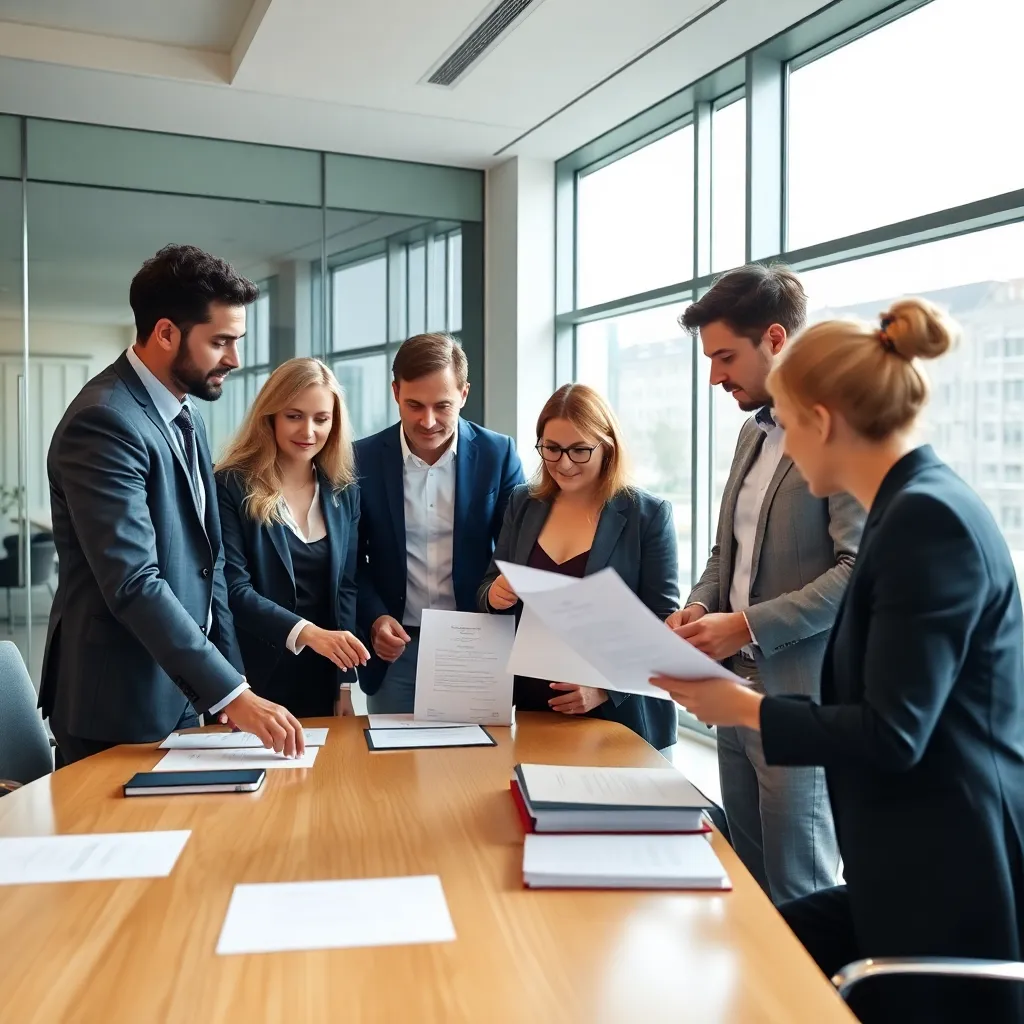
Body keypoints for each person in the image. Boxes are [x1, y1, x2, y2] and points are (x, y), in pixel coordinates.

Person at [655, 299, 1024, 1024]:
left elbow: (894, 733)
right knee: (747, 953)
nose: (787, 448)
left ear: (822, 421)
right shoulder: (908, 507)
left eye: (791, 426)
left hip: (953, 887)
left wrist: (745, 708)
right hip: (908, 868)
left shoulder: (927, 520)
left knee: (758, 965)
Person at [40, 244, 305, 765]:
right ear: (165, 333)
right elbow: (134, 582)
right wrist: (231, 693)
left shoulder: (185, 413)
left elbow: (211, 564)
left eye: (237, 341)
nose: (234, 359)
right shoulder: (104, 422)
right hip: (118, 705)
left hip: (182, 693)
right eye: (220, 341)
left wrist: (230, 683)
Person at [669, 264, 864, 904]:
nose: (714, 377)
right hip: (732, 689)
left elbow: (857, 572)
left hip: (800, 699)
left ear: (775, 339)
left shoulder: (838, 431)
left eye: (725, 357)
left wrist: (746, 624)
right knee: (749, 885)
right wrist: (699, 606)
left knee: (800, 892)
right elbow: (728, 552)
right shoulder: (751, 433)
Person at [478, 384, 679, 752]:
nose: (564, 463)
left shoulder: (647, 515)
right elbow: (489, 585)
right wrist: (494, 594)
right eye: (552, 448)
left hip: (621, 720)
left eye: (580, 450)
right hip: (534, 712)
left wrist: (604, 688)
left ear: (608, 447)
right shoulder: (524, 503)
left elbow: (664, 627)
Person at [355, 333, 525, 713]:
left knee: (475, 751)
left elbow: (516, 547)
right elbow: (350, 560)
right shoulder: (361, 459)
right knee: (391, 752)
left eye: (442, 406)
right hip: (395, 648)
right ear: (396, 392)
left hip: (476, 641)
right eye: (414, 405)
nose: (428, 421)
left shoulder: (498, 454)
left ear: (463, 394)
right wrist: (374, 617)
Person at [215, 358, 369, 719]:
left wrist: (344, 685)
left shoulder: (343, 492)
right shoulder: (231, 485)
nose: (308, 431)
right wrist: (309, 633)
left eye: (321, 418)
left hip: (321, 675)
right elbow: (233, 589)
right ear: (270, 416)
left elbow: (345, 589)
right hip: (252, 678)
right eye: (294, 416)